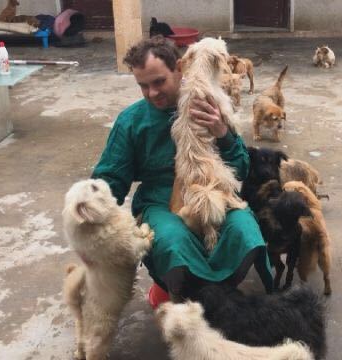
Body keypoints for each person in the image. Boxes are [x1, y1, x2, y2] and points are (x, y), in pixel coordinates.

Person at [91, 36, 273, 302]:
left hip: (214, 191)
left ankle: (220, 294)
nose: (152, 93)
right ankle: (179, 293)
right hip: (160, 201)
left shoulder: (210, 105)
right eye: (143, 86)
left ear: (180, 67)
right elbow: (110, 177)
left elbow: (241, 169)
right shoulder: (132, 121)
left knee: (245, 231)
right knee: (173, 241)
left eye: (159, 82)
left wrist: (222, 132)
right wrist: (93, 208)